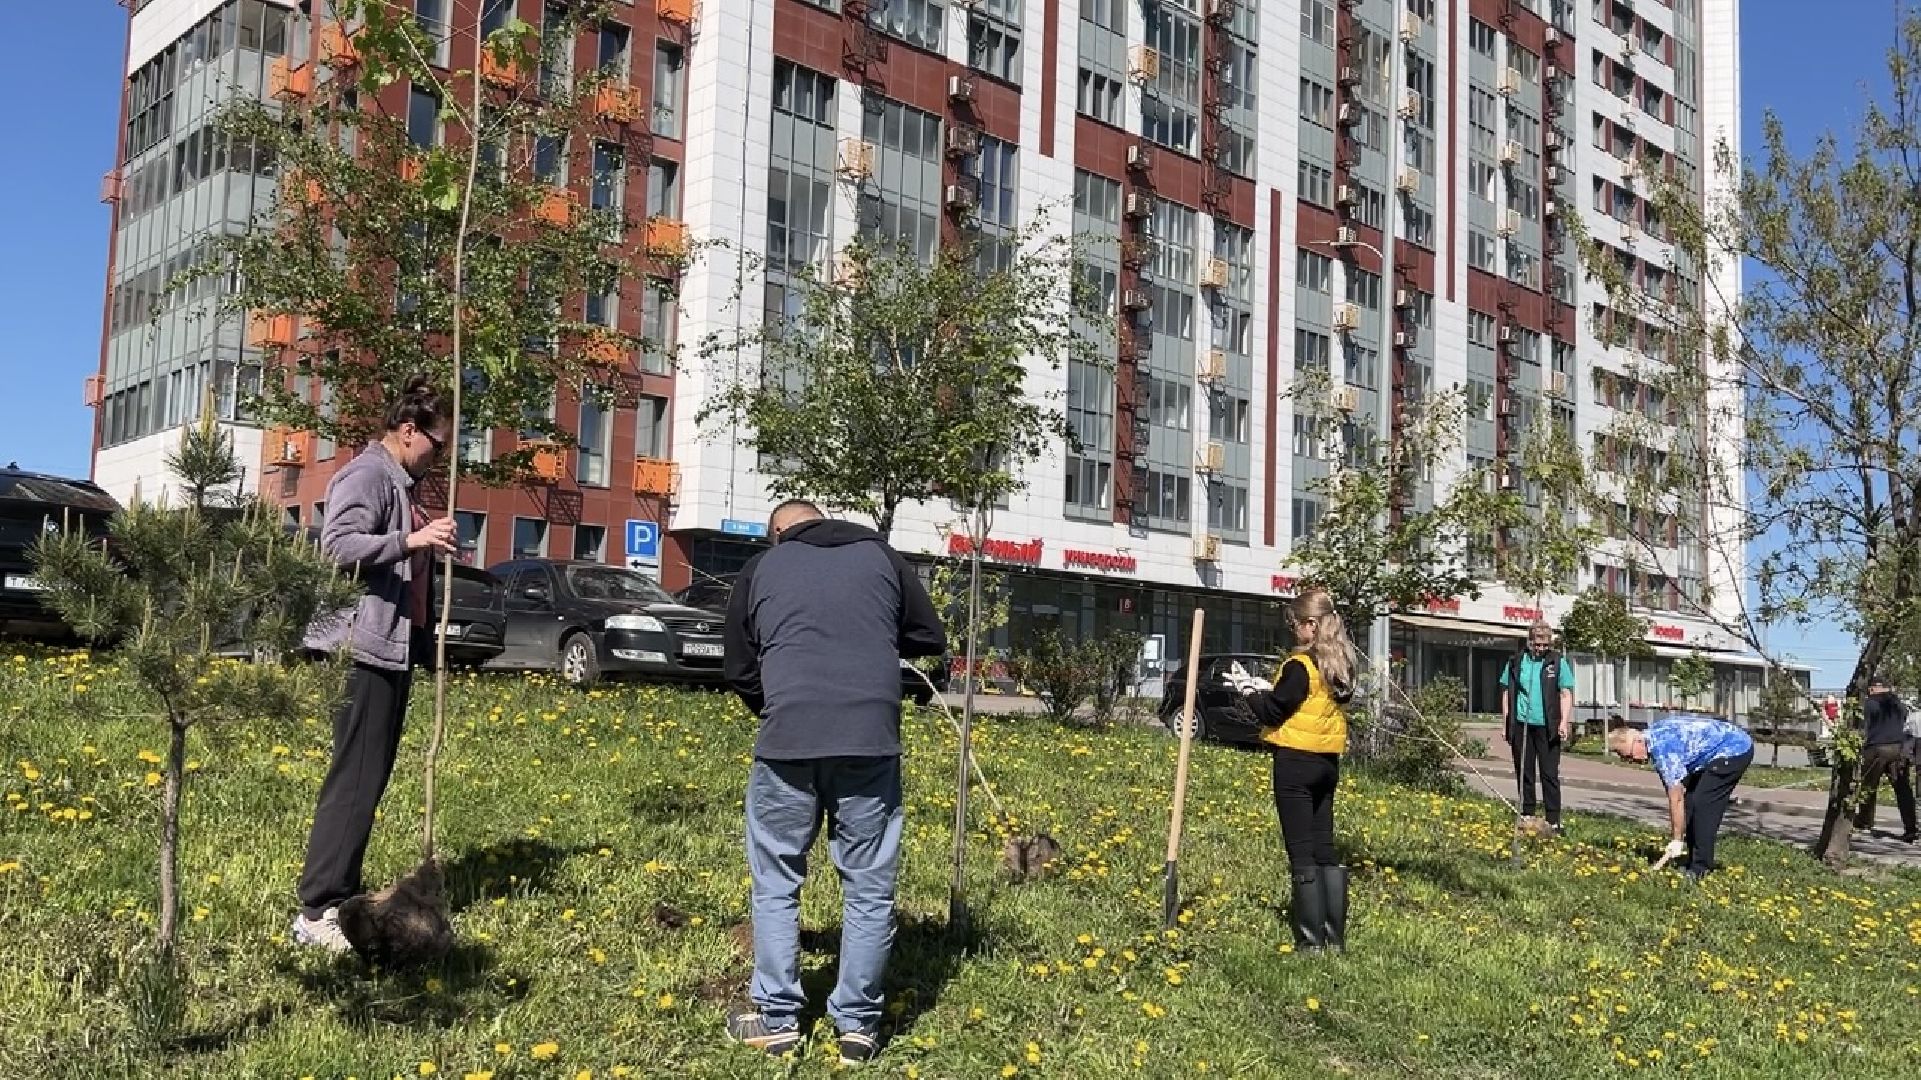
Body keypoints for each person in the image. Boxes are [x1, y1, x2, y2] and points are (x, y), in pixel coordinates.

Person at [721, 500, 946, 1064]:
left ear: (779, 533)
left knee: (776, 880)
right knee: (869, 888)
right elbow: (928, 636)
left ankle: (776, 1020)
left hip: (787, 740)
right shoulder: (883, 556)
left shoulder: (762, 569)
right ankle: (858, 1029)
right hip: (870, 739)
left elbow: (737, 665)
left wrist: (772, 705)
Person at [291, 377, 457, 951]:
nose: (439, 458)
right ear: (408, 431)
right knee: (355, 777)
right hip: (361, 650)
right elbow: (336, 545)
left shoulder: (398, 483)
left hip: (388, 650)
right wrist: (410, 543)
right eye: (437, 445)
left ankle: (340, 895)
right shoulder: (367, 475)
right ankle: (317, 911)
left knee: (370, 777)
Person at [1223, 588, 1358, 952]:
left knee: (1301, 852)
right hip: (1327, 764)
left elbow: (1273, 712)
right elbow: (1305, 703)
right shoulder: (1341, 663)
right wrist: (1269, 690)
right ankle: (1334, 939)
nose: (1293, 631)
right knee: (1324, 849)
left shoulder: (1300, 666)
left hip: (1295, 763)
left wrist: (1248, 691)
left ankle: (1309, 942)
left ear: (1311, 625)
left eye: (1296, 624)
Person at [1607, 713, 1754, 880]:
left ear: (1638, 741)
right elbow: (1681, 795)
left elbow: (1675, 798)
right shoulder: (1653, 736)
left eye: (1628, 755)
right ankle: (1692, 860)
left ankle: (1700, 868)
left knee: (1703, 806)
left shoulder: (1663, 751)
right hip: (1714, 752)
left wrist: (1676, 839)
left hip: (1735, 749)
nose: (1631, 760)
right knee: (1691, 803)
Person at [1498, 622, 1575, 834]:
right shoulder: (1515, 662)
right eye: (1537, 644)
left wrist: (1563, 722)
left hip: (1547, 726)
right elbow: (1507, 693)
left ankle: (1553, 819)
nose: (1540, 648)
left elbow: (1566, 693)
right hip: (1522, 724)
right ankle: (1527, 813)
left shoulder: (1557, 663)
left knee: (1549, 773)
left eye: (1544, 645)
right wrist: (1506, 722)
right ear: (1529, 642)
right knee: (1525, 771)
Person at [1853, 675, 1917, 842]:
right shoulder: (1898, 704)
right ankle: (1911, 828)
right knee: (1903, 790)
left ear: (1873, 688)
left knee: (1868, 786)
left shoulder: (1869, 704)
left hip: (1876, 749)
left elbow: (1863, 727)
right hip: (1898, 748)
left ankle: (1865, 822)